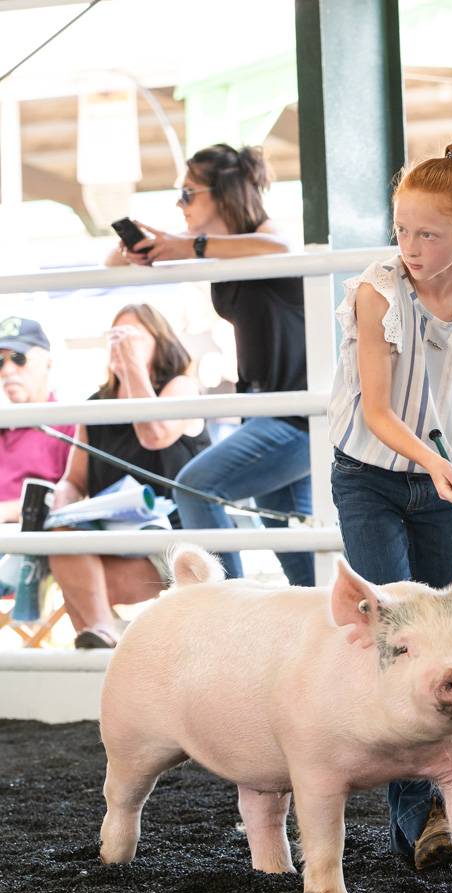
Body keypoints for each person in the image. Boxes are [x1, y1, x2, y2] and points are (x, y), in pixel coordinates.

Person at [328, 142, 452, 870]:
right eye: (403, 229)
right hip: (373, 476)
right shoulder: (377, 292)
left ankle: (442, 812)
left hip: (449, 476)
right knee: (396, 631)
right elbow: (378, 412)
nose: (410, 247)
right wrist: (438, 464)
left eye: (429, 233)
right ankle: (420, 820)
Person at [107, 143, 312, 586]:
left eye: (187, 194)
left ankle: (228, 610)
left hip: (297, 415)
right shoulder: (222, 253)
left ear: (222, 193)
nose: (179, 204)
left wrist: (189, 245)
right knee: (298, 549)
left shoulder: (263, 234)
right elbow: (107, 263)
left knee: (196, 487)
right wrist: (144, 247)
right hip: (268, 413)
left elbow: (278, 246)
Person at [48, 304, 209, 649]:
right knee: (61, 545)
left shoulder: (180, 387)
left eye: (133, 336)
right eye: (115, 337)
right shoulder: (96, 406)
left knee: (82, 588)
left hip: (169, 539)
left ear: (160, 342)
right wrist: (62, 508)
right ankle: (107, 639)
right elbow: (73, 480)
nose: (121, 344)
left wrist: (134, 368)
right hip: (111, 535)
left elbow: (154, 434)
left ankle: (105, 646)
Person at [0, 317, 73, 523]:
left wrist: (6, 511)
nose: (7, 370)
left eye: (18, 358)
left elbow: (77, 497)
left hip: (31, 543)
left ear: (48, 361)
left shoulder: (70, 424)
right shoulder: (4, 423)